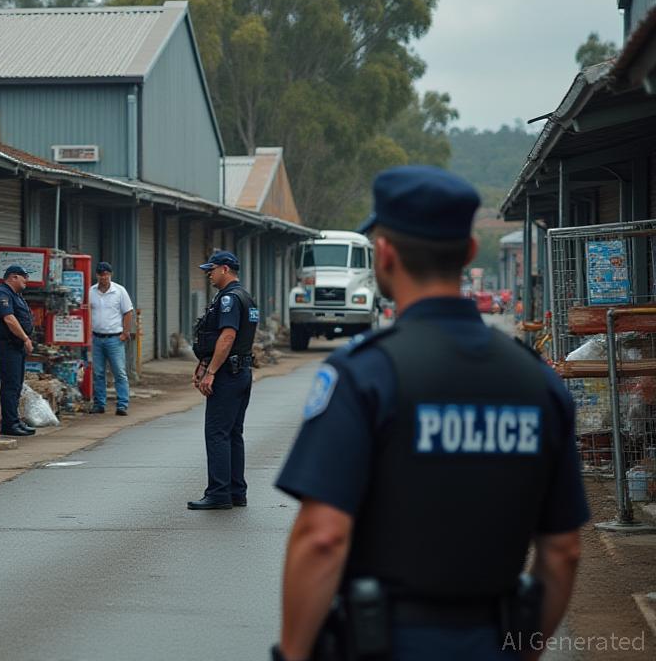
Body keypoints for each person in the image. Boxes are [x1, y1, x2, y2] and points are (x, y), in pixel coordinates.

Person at [272, 166, 587, 661]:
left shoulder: (364, 374)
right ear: (466, 254)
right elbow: (563, 550)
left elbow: (323, 537)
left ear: (384, 254)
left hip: (385, 643)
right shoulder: (538, 383)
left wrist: (292, 654)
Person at [187, 251, 259, 511]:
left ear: (225, 269)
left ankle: (219, 493)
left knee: (217, 433)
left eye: (212, 269)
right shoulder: (245, 296)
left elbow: (227, 337)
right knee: (232, 433)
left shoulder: (229, 299)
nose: (208, 273)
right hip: (242, 371)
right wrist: (204, 362)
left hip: (228, 373)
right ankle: (236, 491)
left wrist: (212, 372)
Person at [0, 265, 36, 438]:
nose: (26, 281)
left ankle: (14, 421)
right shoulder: (1, 294)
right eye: (24, 278)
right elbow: (9, 319)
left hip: (15, 347)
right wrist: (25, 338)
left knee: (16, 386)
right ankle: (9, 424)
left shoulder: (15, 295)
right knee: (10, 386)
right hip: (6, 346)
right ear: (13, 277)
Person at [88, 262, 134, 415]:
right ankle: (99, 404)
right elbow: (87, 312)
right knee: (98, 373)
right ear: (97, 275)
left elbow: (128, 312)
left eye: (106, 274)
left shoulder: (119, 291)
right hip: (96, 339)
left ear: (110, 275)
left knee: (119, 372)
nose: (104, 277)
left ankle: (122, 404)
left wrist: (125, 333)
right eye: (101, 274)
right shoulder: (91, 292)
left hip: (115, 338)